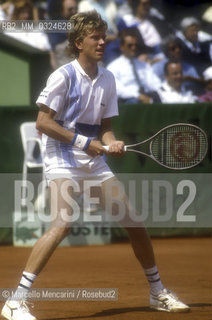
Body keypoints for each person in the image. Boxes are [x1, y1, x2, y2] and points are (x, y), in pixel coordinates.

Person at [1, 11, 190, 320]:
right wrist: (82, 142)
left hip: (93, 160)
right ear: (79, 43)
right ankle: (14, 302)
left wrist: (111, 142)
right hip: (61, 155)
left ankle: (158, 292)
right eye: (95, 37)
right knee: (62, 223)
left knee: (134, 222)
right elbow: (43, 122)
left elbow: (105, 127)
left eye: (104, 37)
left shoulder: (109, 78)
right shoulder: (62, 76)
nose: (103, 42)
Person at [107, 28, 161, 104]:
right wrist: (138, 96)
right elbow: (118, 89)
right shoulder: (113, 67)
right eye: (130, 45)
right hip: (128, 100)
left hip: (146, 96)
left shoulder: (144, 65)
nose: (134, 48)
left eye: (136, 45)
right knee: (134, 101)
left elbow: (154, 83)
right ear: (122, 47)